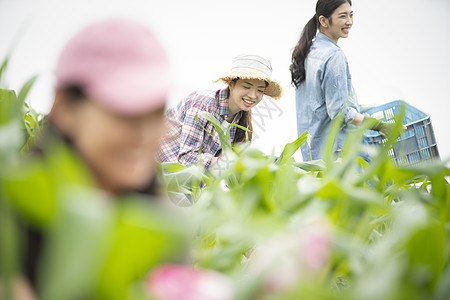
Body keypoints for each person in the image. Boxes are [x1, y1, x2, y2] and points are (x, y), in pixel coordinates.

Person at [1, 19, 186, 300]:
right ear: (64, 108)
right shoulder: (11, 221)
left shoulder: (164, 225)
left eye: (155, 111)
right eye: (126, 112)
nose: (145, 134)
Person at [290, 0, 396, 161]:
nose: (349, 22)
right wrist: (378, 125)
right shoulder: (333, 56)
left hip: (315, 154)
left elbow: (320, 102)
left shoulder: (309, 50)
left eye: (351, 15)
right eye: (342, 16)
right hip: (339, 153)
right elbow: (338, 111)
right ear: (323, 21)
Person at [157, 54, 283, 169]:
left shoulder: (241, 119)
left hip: (191, 181)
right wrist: (225, 162)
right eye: (246, 87)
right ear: (231, 84)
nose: (253, 95)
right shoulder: (203, 105)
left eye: (260, 90)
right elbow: (186, 158)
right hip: (161, 172)